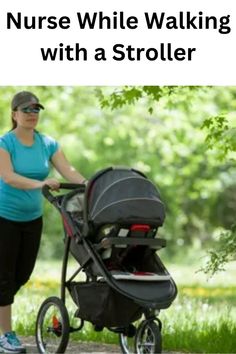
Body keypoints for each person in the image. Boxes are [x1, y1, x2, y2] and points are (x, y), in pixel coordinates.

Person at [0, 91, 87, 353]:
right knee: (3, 278)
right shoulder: (5, 143)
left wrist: (91, 186)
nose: (32, 114)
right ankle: (6, 336)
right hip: (4, 217)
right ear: (14, 114)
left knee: (22, 274)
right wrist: (41, 184)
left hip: (31, 218)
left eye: (36, 109)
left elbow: (68, 171)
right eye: (26, 110)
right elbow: (8, 177)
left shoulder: (47, 143)